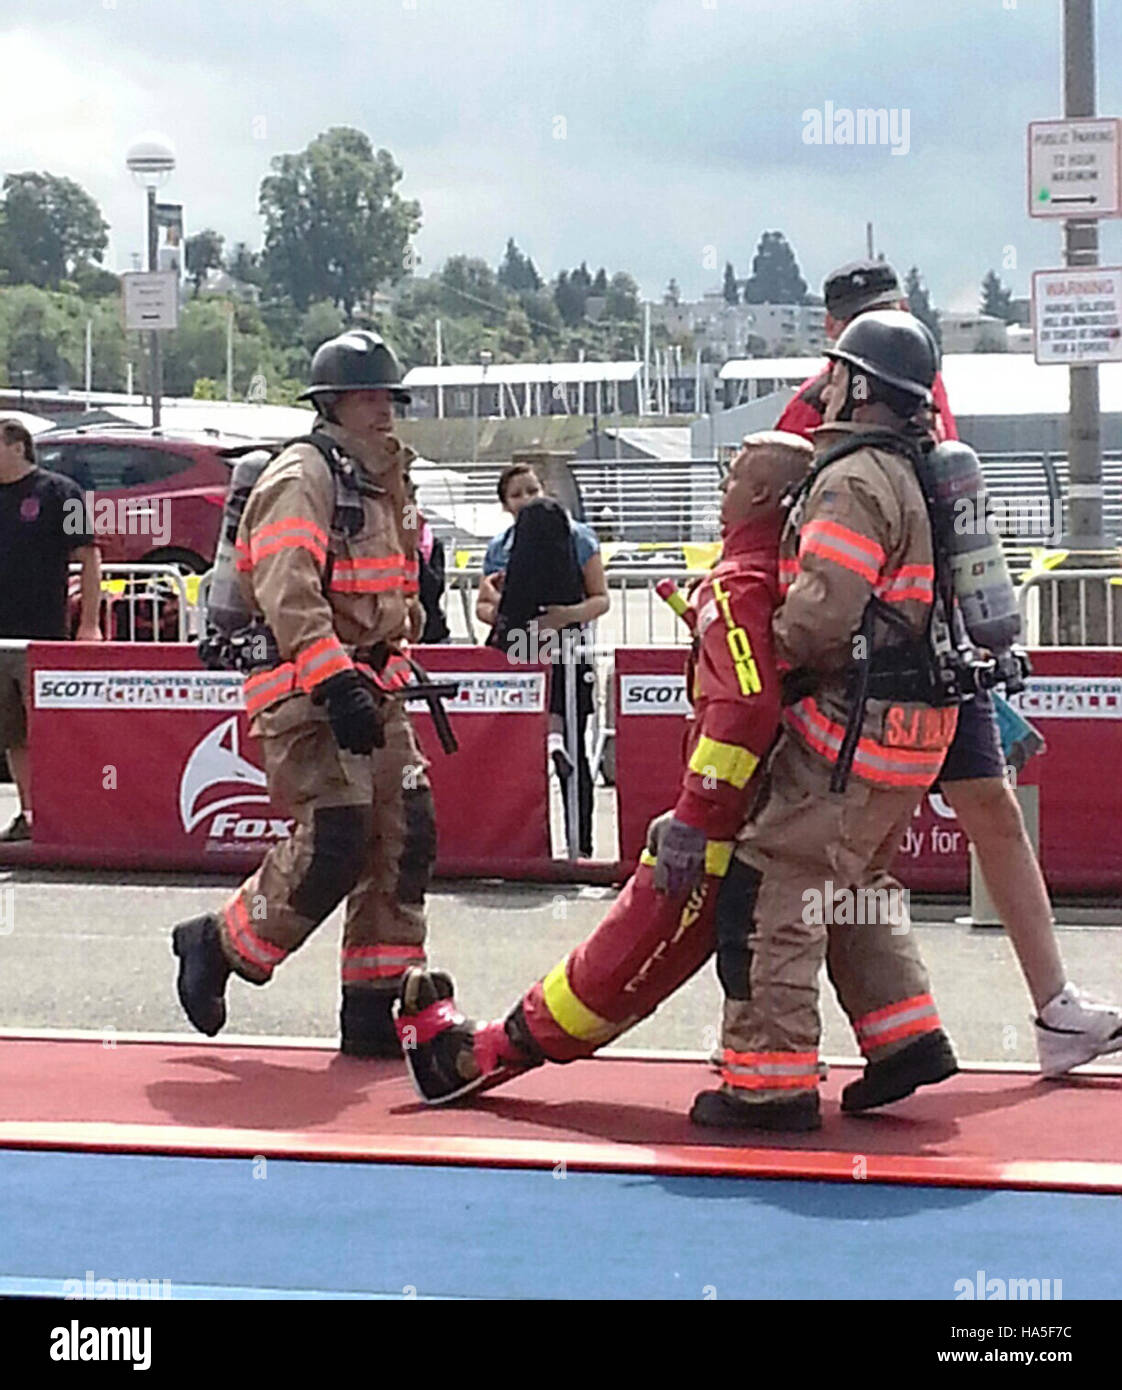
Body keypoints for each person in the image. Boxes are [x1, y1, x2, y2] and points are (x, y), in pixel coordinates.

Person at [775, 260, 1122, 1076]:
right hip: (865, 674)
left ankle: (1047, 1010)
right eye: (873, 313)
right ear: (836, 332)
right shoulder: (825, 402)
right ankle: (823, 1044)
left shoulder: (909, 379)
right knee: (822, 865)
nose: (891, 322)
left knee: (984, 812)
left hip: (936, 660)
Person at [393, 432, 813, 1102]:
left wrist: (697, 815)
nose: (722, 488)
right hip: (785, 809)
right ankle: (892, 1049)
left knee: (632, 947)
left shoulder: (739, 584)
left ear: (761, 493)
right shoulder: (794, 576)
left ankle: (474, 1058)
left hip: (727, 821)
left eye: (733, 476)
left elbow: (745, 705)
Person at [690, 310, 964, 1132]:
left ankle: (767, 1084)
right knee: (854, 886)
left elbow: (822, 613)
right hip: (918, 732)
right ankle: (904, 1038)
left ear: (856, 385)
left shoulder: (852, 481)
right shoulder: (922, 472)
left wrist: (758, 653)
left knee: (776, 885)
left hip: (850, 727)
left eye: (834, 373)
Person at [170, 331, 437, 1058]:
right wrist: (336, 680)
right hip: (309, 691)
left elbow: (392, 586)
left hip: (373, 686)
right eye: (366, 397)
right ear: (331, 404)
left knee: (404, 836)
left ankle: (375, 1004)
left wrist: (409, 623)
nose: (382, 410)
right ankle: (217, 943)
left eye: (388, 397)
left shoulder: (385, 478)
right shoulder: (304, 476)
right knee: (338, 839)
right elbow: (289, 596)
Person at [478, 464, 609, 857]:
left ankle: (577, 841)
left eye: (532, 489)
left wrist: (561, 615)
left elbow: (599, 598)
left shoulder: (580, 538)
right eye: (517, 493)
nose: (527, 499)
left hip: (556, 637)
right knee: (528, 738)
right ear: (504, 504)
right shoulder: (499, 547)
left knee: (565, 733)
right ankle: (545, 841)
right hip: (539, 639)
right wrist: (504, 605)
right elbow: (485, 610)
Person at [0, 418, 102, 842]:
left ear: (16, 446)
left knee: (52, 732)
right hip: (0, 639)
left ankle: (67, 813)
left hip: (44, 634)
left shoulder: (64, 492)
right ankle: (29, 814)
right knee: (13, 733)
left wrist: (90, 623)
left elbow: (90, 557)